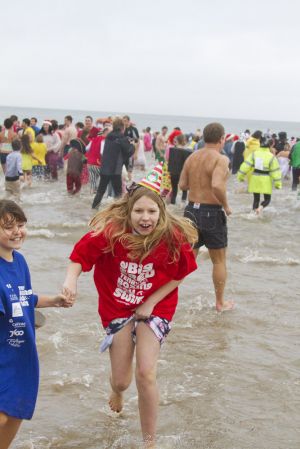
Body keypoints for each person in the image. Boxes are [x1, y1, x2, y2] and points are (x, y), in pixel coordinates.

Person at [62, 163, 197, 447]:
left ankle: (149, 442)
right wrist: (71, 282)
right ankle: (118, 392)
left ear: (161, 213)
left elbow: (180, 273)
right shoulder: (112, 232)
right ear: (128, 210)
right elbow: (79, 257)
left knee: (146, 371)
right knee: (122, 380)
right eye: (139, 211)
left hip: (156, 307)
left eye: (151, 211)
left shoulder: (171, 236)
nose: (145, 218)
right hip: (117, 307)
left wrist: (150, 301)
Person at [0, 200, 73, 449]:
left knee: (16, 412)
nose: (17, 231)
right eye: (8, 227)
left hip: (22, 354)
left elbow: (24, 298)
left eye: (20, 225)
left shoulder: (19, 262)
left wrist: (53, 301)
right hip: (2, 355)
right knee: (1, 415)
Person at [179, 122, 234, 312]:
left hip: (191, 211)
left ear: (204, 137)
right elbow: (217, 185)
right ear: (222, 139)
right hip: (211, 211)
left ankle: (164, 296)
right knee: (218, 260)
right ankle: (220, 303)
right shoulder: (221, 159)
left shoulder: (192, 157)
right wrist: (226, 206)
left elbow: (182, 185)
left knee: (187, 259)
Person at [92, 117, 134, 210]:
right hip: (115, 170)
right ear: (122, 128)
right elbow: (129, 152)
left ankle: (94, 209)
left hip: (104, 169)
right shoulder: (122, 138)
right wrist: (132, 145)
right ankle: (119, 211)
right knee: (118, 193)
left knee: (100, 191)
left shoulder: (108, 136)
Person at [238, 138, 282, 213]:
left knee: (256, 199)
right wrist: (278, 184)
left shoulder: (254, 154)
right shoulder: (271, 156)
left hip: (255, 178)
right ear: (269, 146)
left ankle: (254, 213)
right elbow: (275, 171)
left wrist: (240, 177)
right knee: (267, 199)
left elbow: (245, 166)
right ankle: (260, 208)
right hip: (266, 180)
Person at [167, 134, 192, 204]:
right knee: (184, 190)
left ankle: (172, 204)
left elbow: (169, 160)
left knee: (174, 190)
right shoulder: (187, 151)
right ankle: (182, 205)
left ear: (177, 141)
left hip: (173, 173)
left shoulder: (172, 149)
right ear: (184, 141)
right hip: (183, 174)